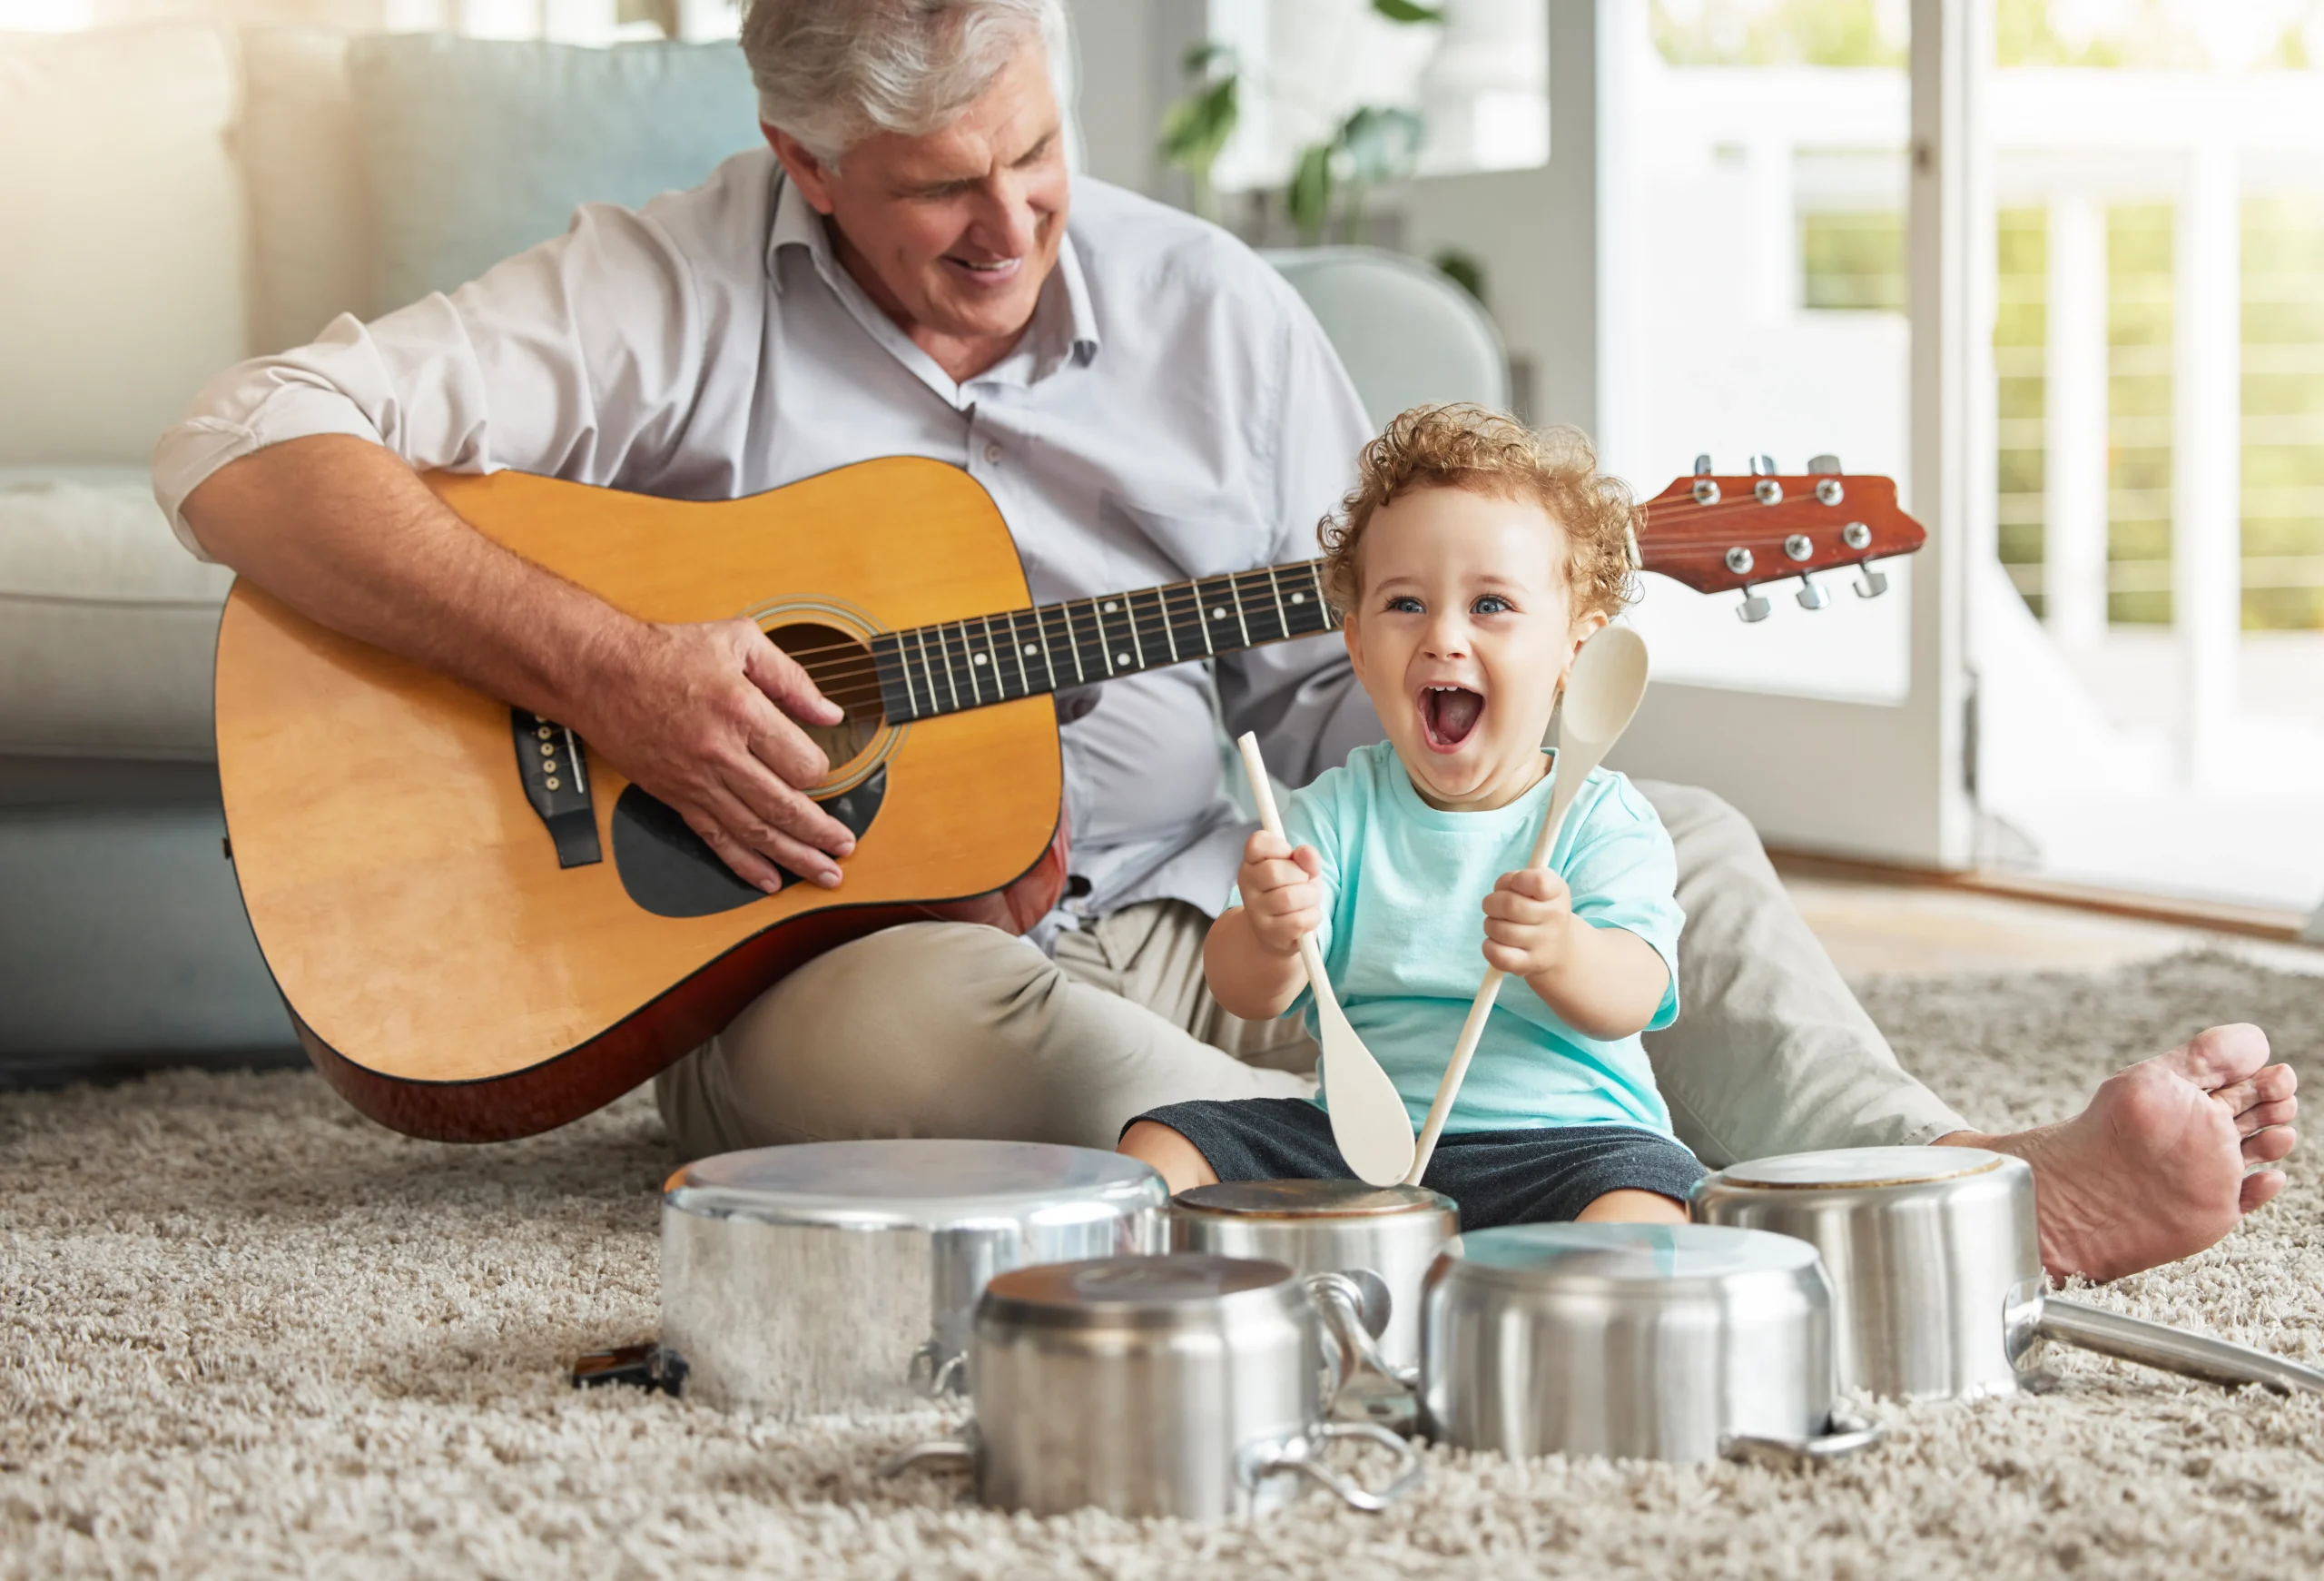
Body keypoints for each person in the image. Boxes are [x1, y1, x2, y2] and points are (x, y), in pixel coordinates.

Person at [156, 0, 2293, 1283]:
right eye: (930, 196)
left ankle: (1941, 1190)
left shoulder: (1210, 314)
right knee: (1066, 1055)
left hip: (1251, 916)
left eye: (1037, 157)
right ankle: (1559, 1238)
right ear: (798, 163)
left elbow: (1352, 696)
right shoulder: (668, 285)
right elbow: (247, 439)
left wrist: (1475, 720)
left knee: (1682, 840)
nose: (1007, 227)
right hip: (849, 968)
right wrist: (613, 670)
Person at [1123, 408, 1704, 1227]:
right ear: (1358, 648)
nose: (1444, 638)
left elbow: (1636, 995)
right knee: (1161, 1145)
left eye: (1492, 604)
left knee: (1645, 1202)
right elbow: (1246, 992)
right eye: (1406, 605)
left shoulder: (1602, 817)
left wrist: (1564, 949)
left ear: (1576, 650)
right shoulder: (1333, 811)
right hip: (1359, 1149)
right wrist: (1265, 932)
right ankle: (1192, 1330)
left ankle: (1566, 1330)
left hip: (1567, 1145)